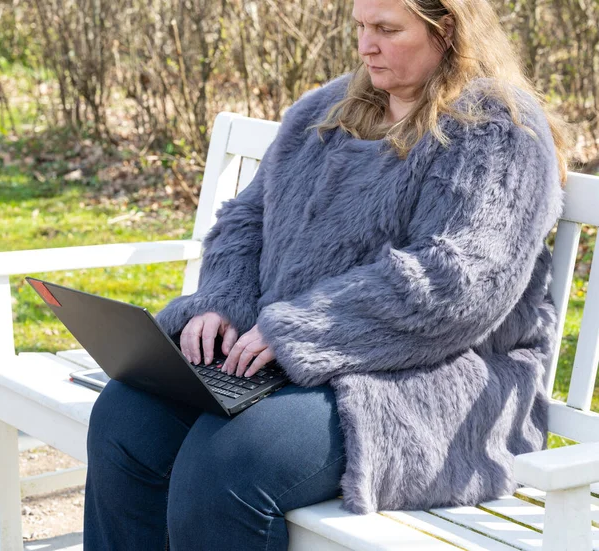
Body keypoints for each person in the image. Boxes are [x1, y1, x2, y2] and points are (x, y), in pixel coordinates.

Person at [83, 0, 572, 549]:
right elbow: (247, 219)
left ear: (448, 30)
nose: (367, 46)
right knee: (127, 419)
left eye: (387, 29)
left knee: (227, 462)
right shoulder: (327, 109)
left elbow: (458, 283)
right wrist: (220, 302)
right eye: (361, 27)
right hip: (283, 358)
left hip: (432, 380)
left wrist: (299, 330)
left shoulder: (496, 129)